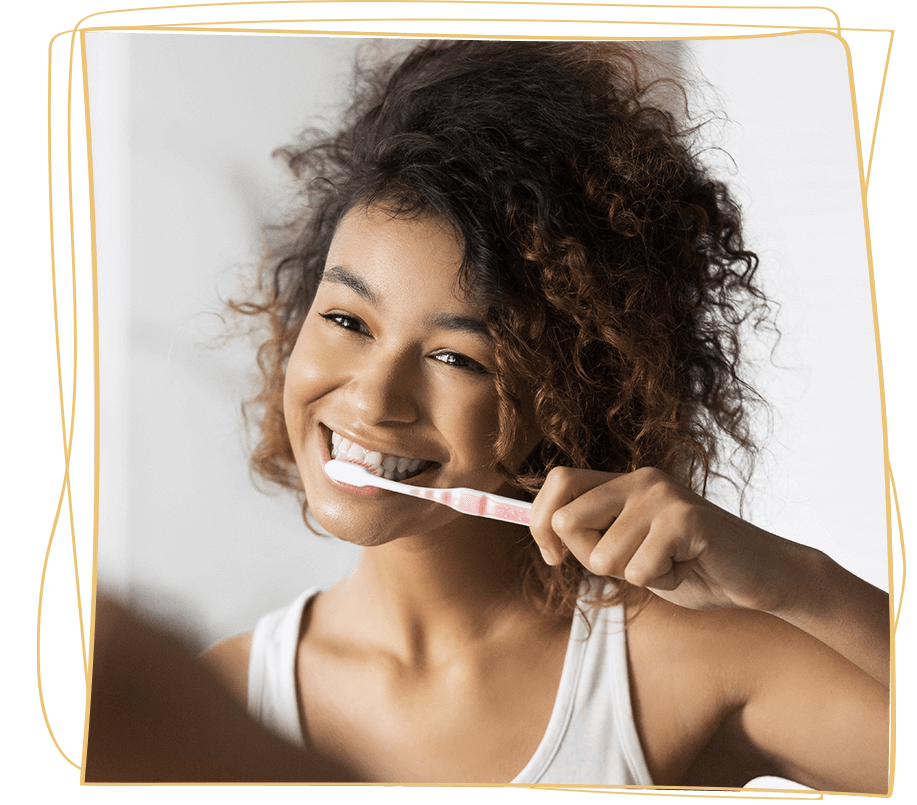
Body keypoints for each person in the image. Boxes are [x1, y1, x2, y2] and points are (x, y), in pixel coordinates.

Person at [202, 39, 890, 789]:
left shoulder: (687, 664)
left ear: (562, 396)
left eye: (457, 358)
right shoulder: (214, 699)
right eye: (346, 320)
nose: (371, 398)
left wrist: (793, 579)